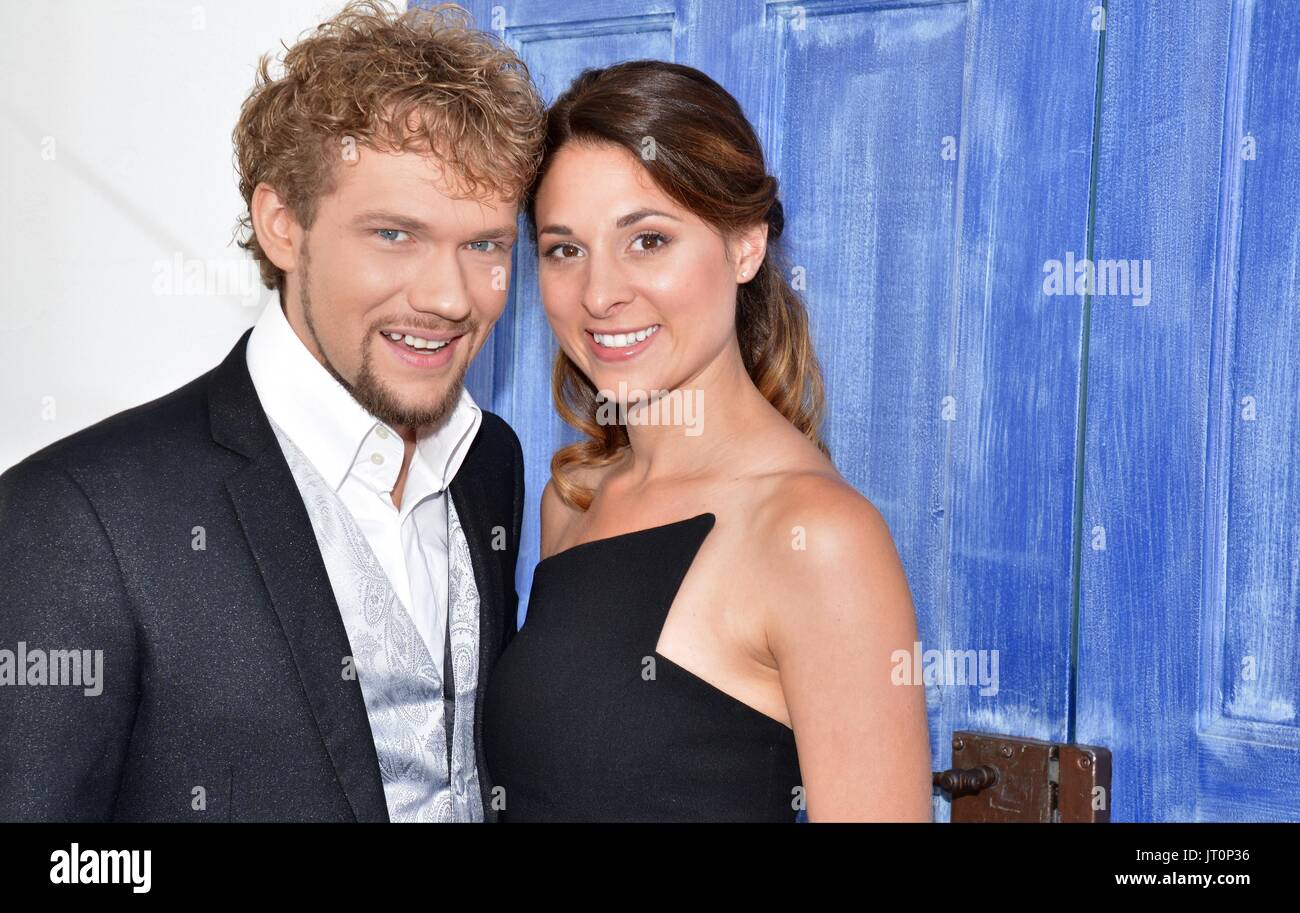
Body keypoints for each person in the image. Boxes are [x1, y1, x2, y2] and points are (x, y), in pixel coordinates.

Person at [0, 1, 543, 822]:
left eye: (485, 244)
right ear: (282, 225)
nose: (448, 297)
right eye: (395, 234)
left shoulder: (489, 461)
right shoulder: (75, 518)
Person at [483, 60, 934, 822]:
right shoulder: (574, 499)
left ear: (745, 245)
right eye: (565, 248)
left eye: (648, 240)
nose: (599, 293)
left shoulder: (817, 538)